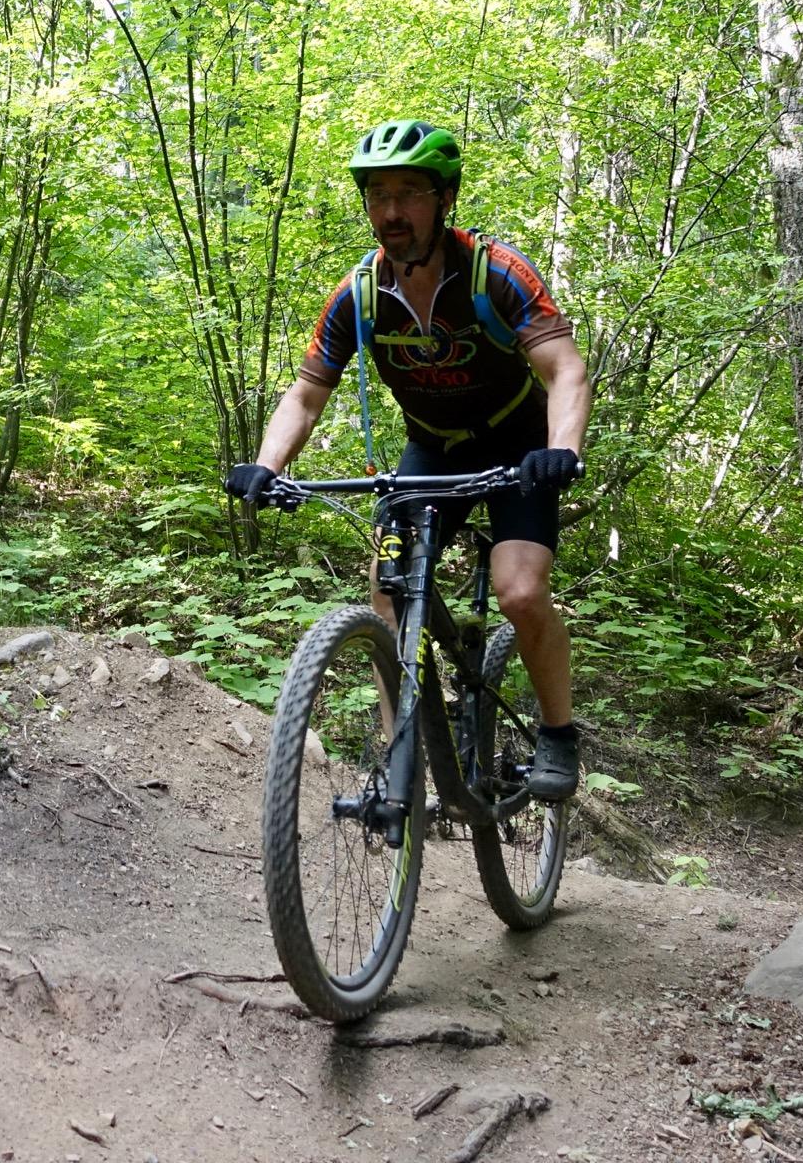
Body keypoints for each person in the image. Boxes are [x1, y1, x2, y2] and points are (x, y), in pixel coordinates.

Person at [225, 119, 592, 800]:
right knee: (388, 590)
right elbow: (306, 396)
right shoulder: (360, 296)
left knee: (517, 589)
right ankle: (402, 753)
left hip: (518, 446)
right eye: (377, 195)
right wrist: (266, 467)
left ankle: (558, 734)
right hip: (431, 447)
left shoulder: (497, 274)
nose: (391, 211)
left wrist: (561, 452)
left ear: (444, 200)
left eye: (409, 193)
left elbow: (565, 371)